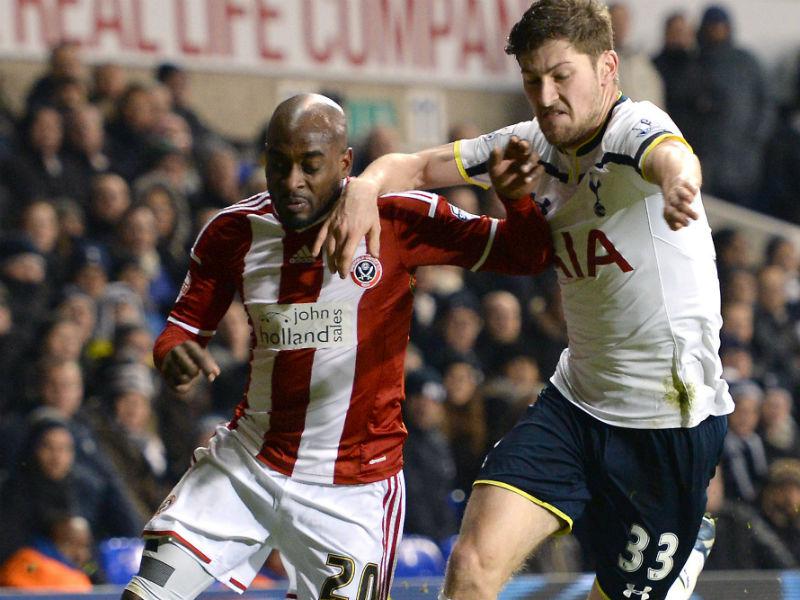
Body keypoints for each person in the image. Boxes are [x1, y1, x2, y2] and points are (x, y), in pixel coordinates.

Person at [316, 2, 733, 599]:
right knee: (472, 566)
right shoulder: (529, 144)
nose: (546, 94)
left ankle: (687, 543)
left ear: (607, 68)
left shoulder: (631, 128)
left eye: (562, 75)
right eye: (532, 79)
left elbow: (670, 153)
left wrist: (679, 183)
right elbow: (417, 163)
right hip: (577, 405)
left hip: (667, 425)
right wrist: (364, 187)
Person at [121, 93, 552, 600]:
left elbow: (527, 253)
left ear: (345, 162)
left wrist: (517, 201)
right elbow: (182, 329)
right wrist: (173, 355)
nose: (292, 181)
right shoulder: (232, 232)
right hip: (249, 464)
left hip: (353, 487)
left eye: (310, 165)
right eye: (278, 164)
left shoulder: (399, 218)